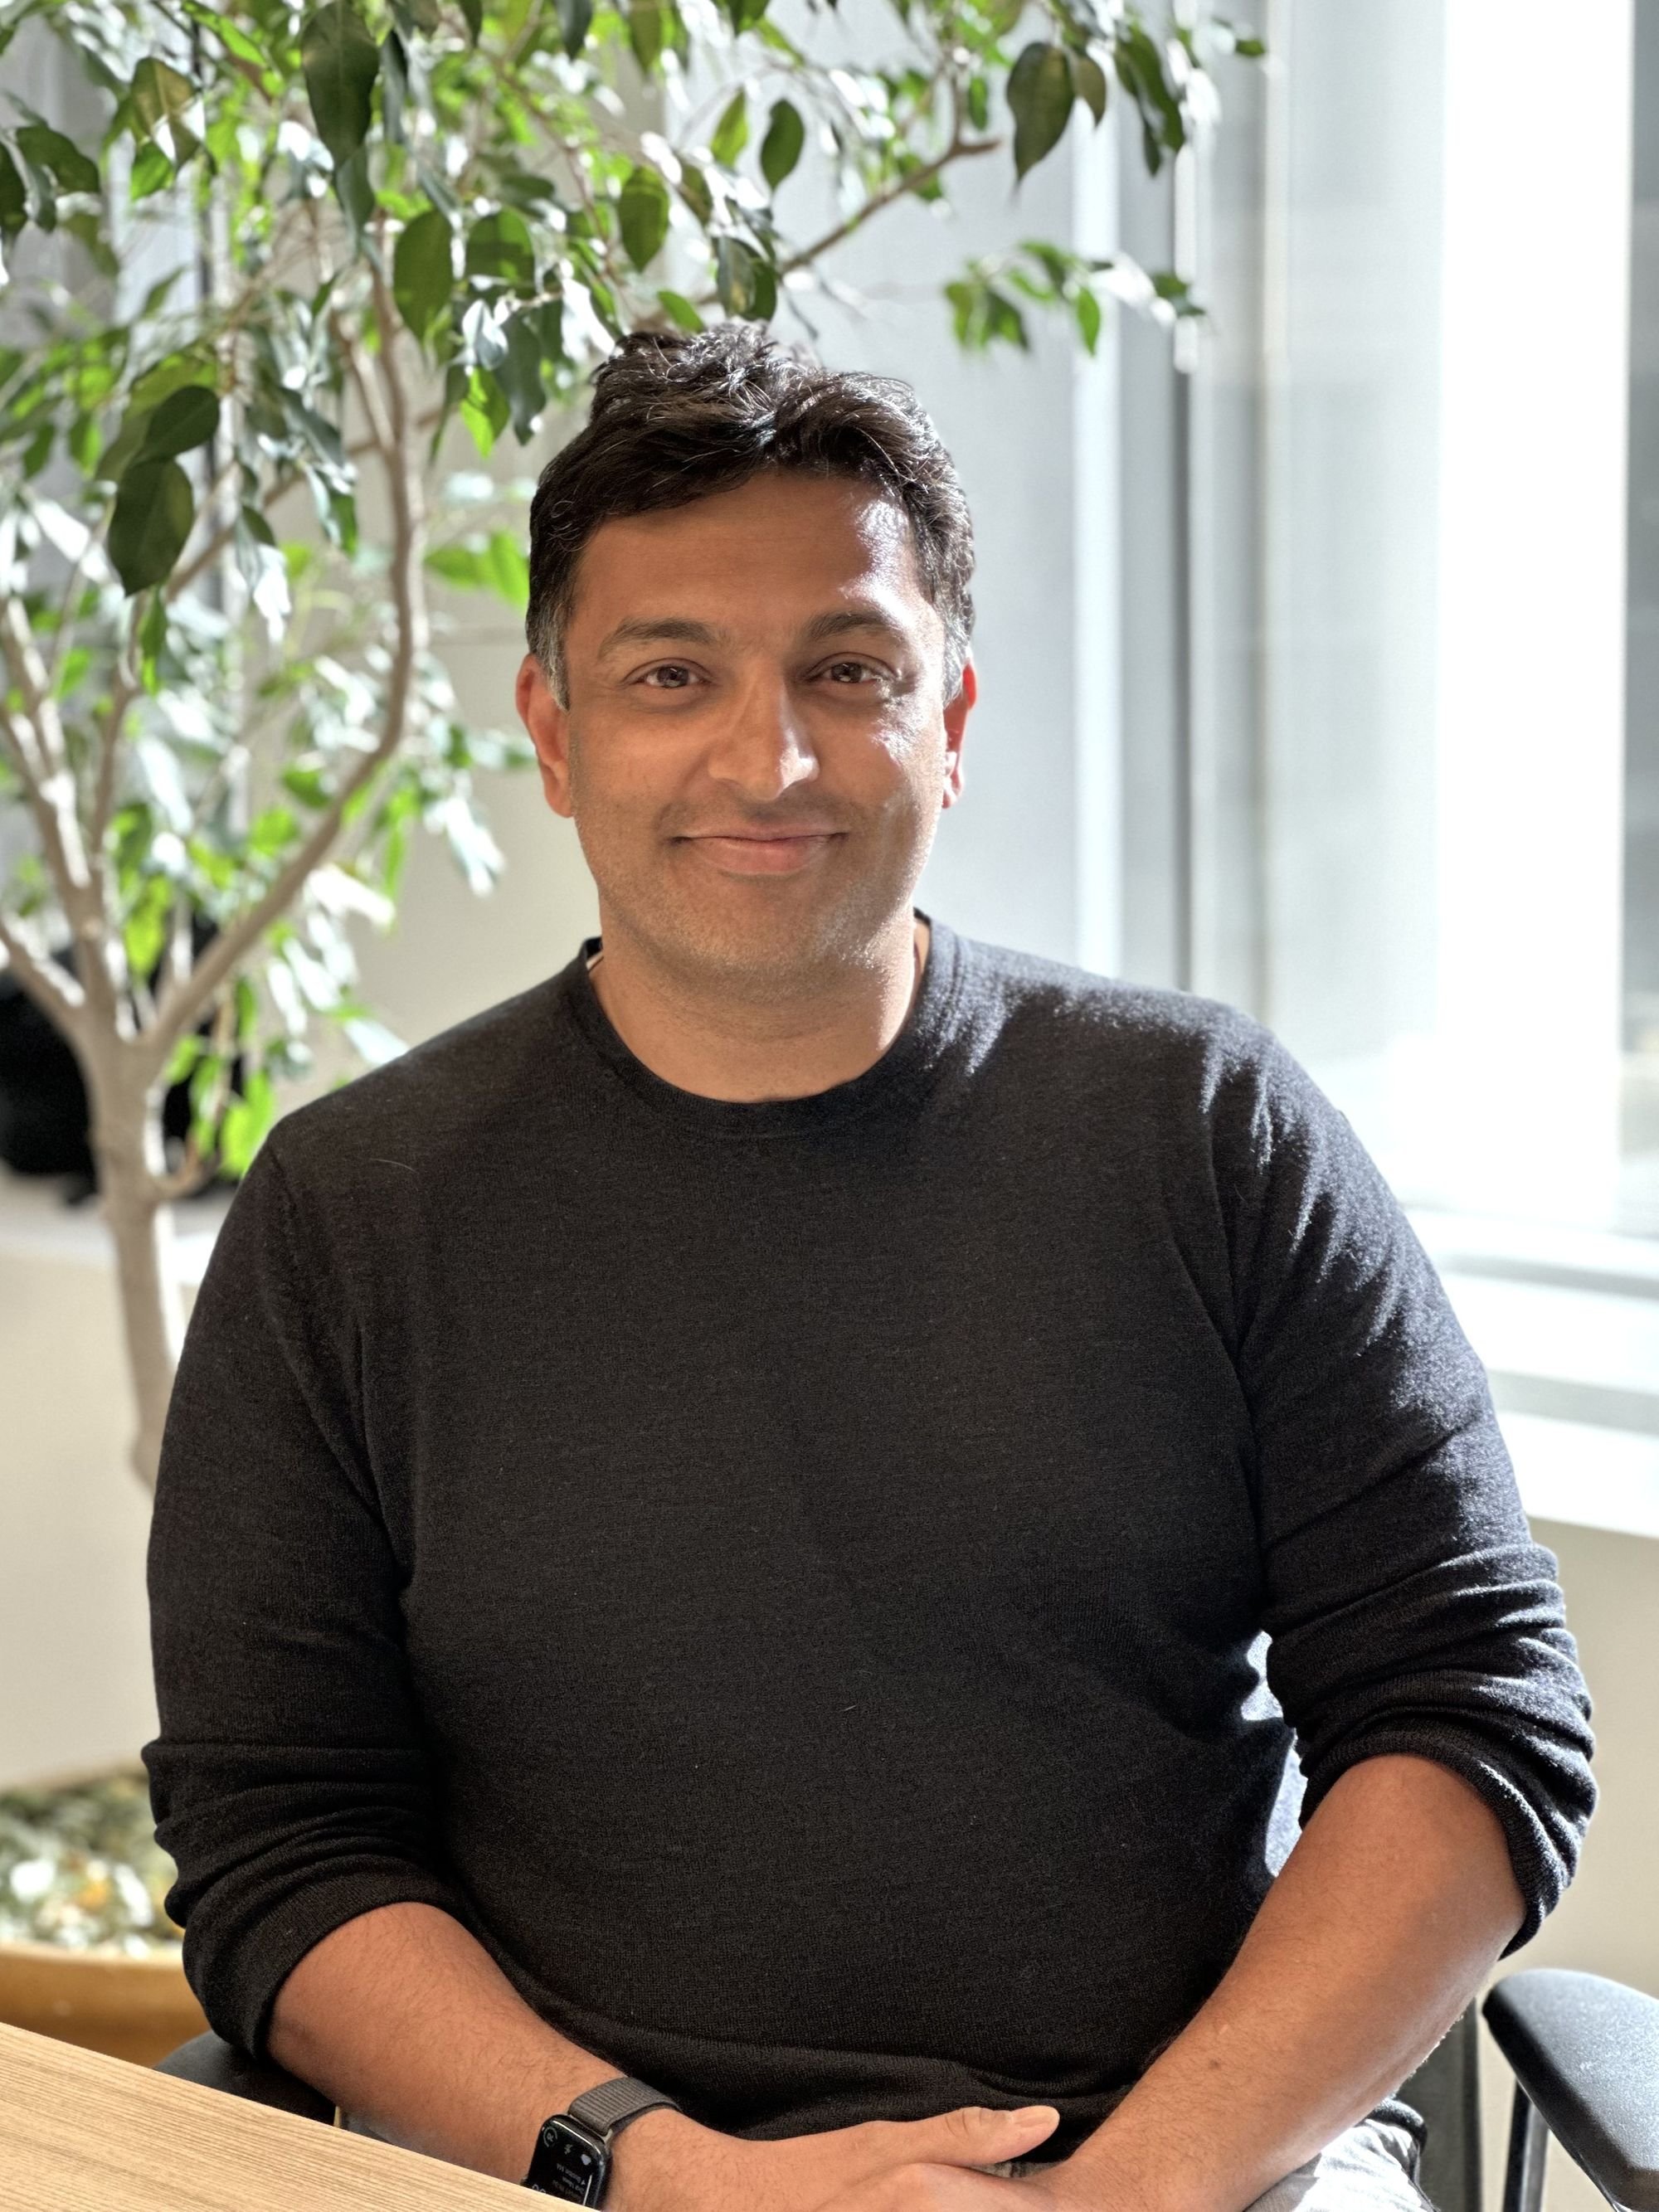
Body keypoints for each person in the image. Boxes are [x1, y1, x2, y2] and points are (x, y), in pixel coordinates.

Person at [144, 323, 1595, 2212]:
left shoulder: (1204, 1130)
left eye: (849, 668)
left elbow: (1470, 1710)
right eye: (675, 674)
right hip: (581, 2171)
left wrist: (1120, 2193)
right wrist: (666, 2170)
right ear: (557, 732)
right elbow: (283, 1840)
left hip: (1193, 2167)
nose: (773, 755)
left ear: (954, 720)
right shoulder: (351, 1209)